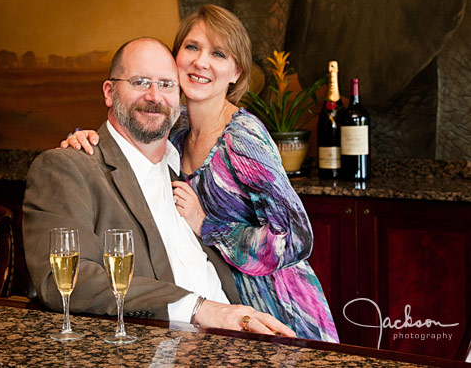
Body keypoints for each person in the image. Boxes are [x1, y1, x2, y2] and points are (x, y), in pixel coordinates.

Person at [60, 5, 339, 342]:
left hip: (276, 306)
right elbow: (130, 128)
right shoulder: (176, 131)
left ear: (236, 72)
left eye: (218, 53)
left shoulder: (242, 137)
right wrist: (84, 136)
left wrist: (208, 225)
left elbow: (295, 237)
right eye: (191, 47)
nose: (201, 62)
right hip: (219, 310)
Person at [23, 36, 295, 336]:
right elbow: (65, 280)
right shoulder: (69, 168)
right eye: (140, 82)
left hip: (247, 334)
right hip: (163, 348)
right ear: (109, 92)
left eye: (167, 84)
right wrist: (199, 309)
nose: (155, 96)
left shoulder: (185, 168)